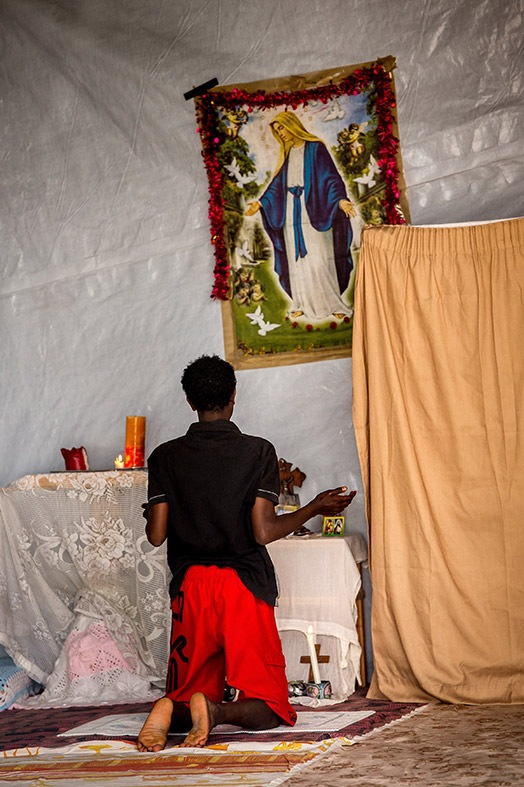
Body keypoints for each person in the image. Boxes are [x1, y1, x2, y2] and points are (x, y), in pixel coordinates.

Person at [137, 354, 355, 751]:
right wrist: (314, 507)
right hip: (242, 586)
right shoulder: (257, 451)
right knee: (271, 706)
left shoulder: (164, 456)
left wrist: (150, 513)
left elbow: (156, 535)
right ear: (234, 395)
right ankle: (217, 713)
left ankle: (169, 708)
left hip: (191, 586)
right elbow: (264, 531)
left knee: (187, 693)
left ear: (190, 401)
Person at [245, 111, 355, 321]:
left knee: (320, 257)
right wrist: (260, 203)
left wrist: (340, 200)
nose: (280, 134)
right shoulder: (287, 155)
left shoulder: (315, 148)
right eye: (277, 131)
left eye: (282, 128)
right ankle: (301, 304)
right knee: (297, 261)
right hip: (291, 214)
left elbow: (330, 177)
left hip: (315, 210)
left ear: (292, 125)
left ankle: (333, 303)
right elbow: (276, 185)